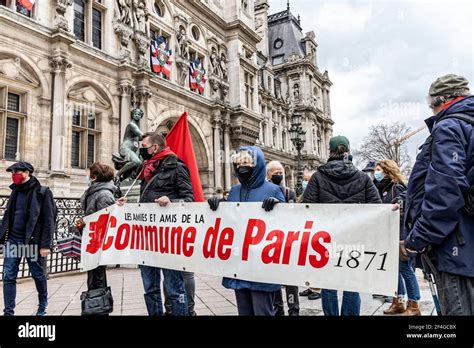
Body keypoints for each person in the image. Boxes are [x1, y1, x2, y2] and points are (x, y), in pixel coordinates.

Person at [403, 74, 474, 315]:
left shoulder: (449, 126)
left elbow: (446, 192)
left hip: (456, 248)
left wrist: (417, 239)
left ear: (440, 101)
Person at [303, 136, 382, 316]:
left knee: (329, 284)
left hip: (325, 240)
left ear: (330, 152)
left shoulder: (318, 177)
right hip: (355, 239)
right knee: (352, 283)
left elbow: (306, 209)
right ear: (348, 150)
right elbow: (377, 207)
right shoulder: (362, 177)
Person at [117, 131, 194, 316]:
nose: (140, 150)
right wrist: (125, 204)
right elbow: (144, 200)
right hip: (146, 238)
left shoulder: (177, 167)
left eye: (143, 147)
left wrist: (171, 201)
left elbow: (190, 200)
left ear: (154, 148)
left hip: (168, 239)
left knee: (174, 288)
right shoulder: (146, 168)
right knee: (150, 288)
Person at [208, 146, 285, 315]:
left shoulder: (274, 190)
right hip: (239, 262)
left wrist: (279, 206)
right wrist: (218, 205)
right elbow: (228, 221)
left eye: (247, 162)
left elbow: (286, 225)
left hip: (262, 264)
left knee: (262, 311)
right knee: (244, 311)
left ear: (257, 165)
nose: (241, 166)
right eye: (238, 162)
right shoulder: (234, 191)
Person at [0, 162, 55, 316]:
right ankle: (8, 312)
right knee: (8, 276)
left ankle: (43, 304)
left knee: (38, 275)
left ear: (27, 173)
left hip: (32, 242)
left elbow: (49, 220)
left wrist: (45, 245)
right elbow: (8, 217)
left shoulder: (43, 192)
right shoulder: (15, 191)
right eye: (12, 172)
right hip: (13, 241)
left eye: (17, 172)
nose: (14, 175)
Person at [372, 160, 421, 316]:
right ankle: (398, 301)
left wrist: (399, 203)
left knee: (405, 269)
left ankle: (414, 304)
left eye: (378, 169)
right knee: (393, 270)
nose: (375, 173)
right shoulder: (379, 188)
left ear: (387, 171)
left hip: (399, 233)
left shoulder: (396, 186)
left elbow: (406, 197)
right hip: (387, 233)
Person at [75, 162, 117, 314]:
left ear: (95, 177)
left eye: (90, 174)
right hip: (92, 242)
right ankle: (96, 307)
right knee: (94, 279)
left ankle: (99, 308)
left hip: (98, 245)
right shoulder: (94, 193)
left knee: (97, 280)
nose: (88, 177)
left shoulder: (104, 195)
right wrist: (83, 225)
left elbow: (109, 222)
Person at [266, 160, 299, 316]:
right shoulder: (264, 191)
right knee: (274, 278)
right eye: (275, 172)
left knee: (290, 278)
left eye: (281, 172)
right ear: (268, 175)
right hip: (270, 241)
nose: (279, 175)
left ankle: (294, 309)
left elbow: (292, 213)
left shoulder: (288, 192)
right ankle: (278, 309)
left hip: (287, 240)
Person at [298, 169, 321, 301]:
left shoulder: (318, 192)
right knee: (308, 263)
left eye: (308, 180)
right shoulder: (303, 194)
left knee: (315, 261)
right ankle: (311, 286)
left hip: (316, 231)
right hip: (305, 231)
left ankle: (317, 289)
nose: (305, 182)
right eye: (304, 180)